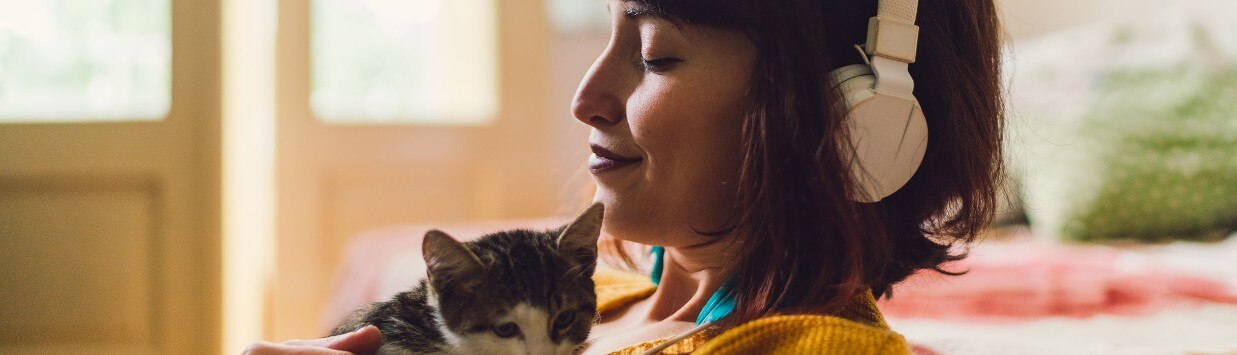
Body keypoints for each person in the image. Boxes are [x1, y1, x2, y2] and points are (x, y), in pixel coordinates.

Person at [245, 0, 1002, 353]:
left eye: (655, 55)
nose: (585, 97)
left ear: (848, 123)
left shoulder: (814, 348)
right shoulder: (598, 297)